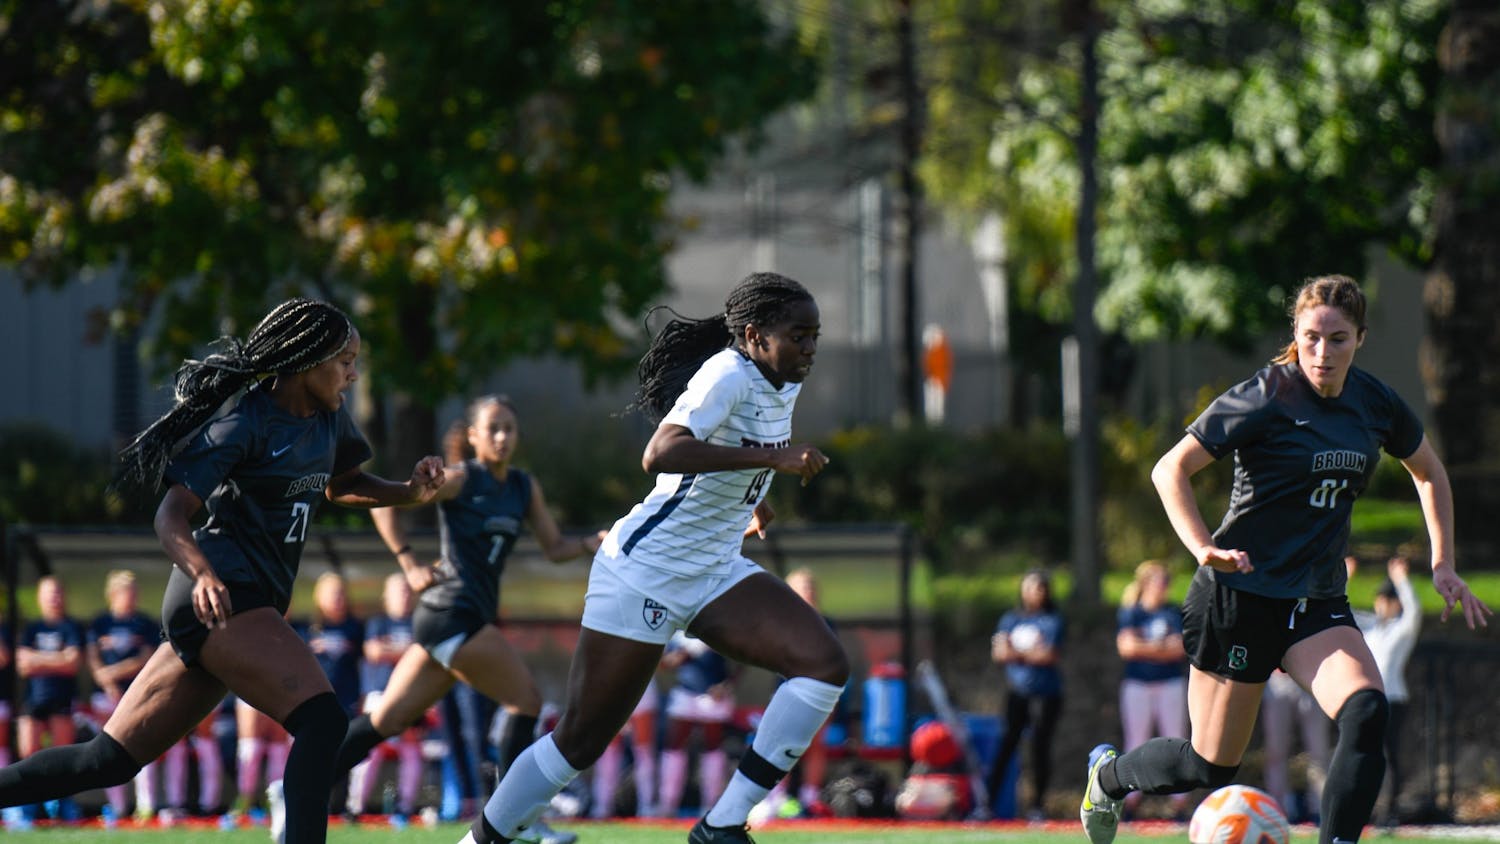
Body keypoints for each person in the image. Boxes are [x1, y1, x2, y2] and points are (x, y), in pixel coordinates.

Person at [0, 297, 446, 844]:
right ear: (307, 361)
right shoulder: (245, 421)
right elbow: (171, 515)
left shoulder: (329, 417)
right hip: (219, 595)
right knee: (323, 721)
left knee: (107, 761)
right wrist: (205, 574)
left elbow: (342, 483)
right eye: (345, 360)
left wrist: (408, 492)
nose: (354, 373)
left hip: (241, 605)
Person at [1079, 275, 1493, 844]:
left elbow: (1429, 471)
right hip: (1238, 596)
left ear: (1361, 339)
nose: (1322, 352)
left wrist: (1442, 562)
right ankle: (1108, 776)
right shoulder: (1267, 394)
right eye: (1311, 338)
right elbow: (1169, 469)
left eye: (1338, 339)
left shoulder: (1375, 403)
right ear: (1295, 336)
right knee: (1211, 765)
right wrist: (1203, 546)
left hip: (1315, 601)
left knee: (1367, 710)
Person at [457, 272, 845, 844]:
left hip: (714, 568)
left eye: (815, 335)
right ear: (755, 335)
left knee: (823, 665)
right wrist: (773, 461)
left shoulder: (781, 376)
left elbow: (739, 454)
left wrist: (752, 500)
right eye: (799, 335)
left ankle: (722, 825)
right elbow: (660, 452)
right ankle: (480, 842)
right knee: (579, 742)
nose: (810, 348)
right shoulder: (727, 373)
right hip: (646, 572)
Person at [326, 394, 605, 844]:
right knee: (527, 702)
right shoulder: (460, 479)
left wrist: (592, 541)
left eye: (509, 428)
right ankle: (516, 822)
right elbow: (382, 502)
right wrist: (408, 563)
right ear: (472, 436)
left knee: (387, 721)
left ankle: (294, 785)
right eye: (492, 428)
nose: (501, 436)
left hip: (457, 623)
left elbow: (554, 548)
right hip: (451, 614)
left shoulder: (522, 487)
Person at [986, 569, 1064, 821]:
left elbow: (1049, 655)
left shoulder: (1052, 620)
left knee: (1039, 748)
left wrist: (1016, 652)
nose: (1035, 593)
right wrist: (1029, 652)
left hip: (1045, 695)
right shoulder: (1010, 619)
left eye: (1040, 588)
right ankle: (988, 805)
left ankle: (1037, 806)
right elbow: (999, 653)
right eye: (1031, 587)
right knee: (1007, 744)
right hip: (1017, 694)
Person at [1114, 561, 1189, 821]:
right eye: (1160, 581)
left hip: (1169, 683)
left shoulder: (1172, 612)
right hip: (1138, 685)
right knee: (1136, 741)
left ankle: (1179, 804)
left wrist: (1145, 647)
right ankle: (1131, 801)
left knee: (1176, 740)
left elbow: (1179, 649)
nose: (1165, 586)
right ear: (1146, 583)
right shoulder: (1131, 613)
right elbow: (1127, 649)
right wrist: (1161, 648)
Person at [86, 570, 161, 820]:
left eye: (133, 591)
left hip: (137, 693)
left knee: (143, 746)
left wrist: (115, 672)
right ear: (112, 595)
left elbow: (148, 658)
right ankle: (118, 808)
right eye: (125, 591)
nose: (131, 596)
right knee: (108, 750)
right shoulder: (100, 623)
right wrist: (107, 681)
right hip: (107, 695)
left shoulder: (145, 623)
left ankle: (146, 807)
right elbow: (93, 661)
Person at [349, 573, 425, 817]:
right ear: (386, 596)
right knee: (371, 750)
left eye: (406, 591)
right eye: (398, 591)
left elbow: (426, 655)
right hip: (379, 695)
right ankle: (355, 807)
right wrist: (409, 652)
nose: (403, 596)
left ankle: (405, 807)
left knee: (411, 750)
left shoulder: (419, 622)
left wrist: (393, 650)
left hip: (411, 695)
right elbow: (373, 652)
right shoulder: (378, 623)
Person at [1354, 556, 1421, 826]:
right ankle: (1365, 808)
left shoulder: (1400, 630)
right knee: (1364, 754)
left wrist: (1401, 581)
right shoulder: (1369, 628)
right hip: (1369, 699)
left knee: (1389, 756)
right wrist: (1345, 577)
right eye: (1380, 599)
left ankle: (1389, 810)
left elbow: (1414, 611)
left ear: (1396, 604)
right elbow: (1340, 612)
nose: (1382, 604)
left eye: (1388, 600)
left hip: (1393, 699)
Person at [16, 576, 85, 818]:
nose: (53, 598)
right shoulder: (32, 628)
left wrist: (38, 659)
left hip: (62, 699)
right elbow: (23, 665)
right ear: (40, 597)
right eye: (48, 593)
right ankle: (28, 809)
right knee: (29, 753)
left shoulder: (71, 627)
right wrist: (58, 659)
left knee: (62, 757)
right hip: (34, 699)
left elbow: (73, 663)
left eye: (57, 593)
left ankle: (63, 807)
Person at [299, 572, 365, 812]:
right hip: (315, 701)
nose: (337, 599)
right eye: (332, 594)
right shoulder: (308, 628)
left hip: (348, 700)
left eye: (340, 593)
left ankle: (348, 806)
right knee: (316, 754)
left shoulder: (356, 628)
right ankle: (312, 801)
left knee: (348, 751)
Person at [657, 631, 736, 819]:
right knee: (674, 745)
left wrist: (727, 684)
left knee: (713, 748)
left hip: (714, 695)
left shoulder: (718, 627)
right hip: (685, 692)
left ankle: (710, 805)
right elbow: (665, 664)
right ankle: (667, 804)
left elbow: (742, 659)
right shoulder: (677, 634)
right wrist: (687, 651)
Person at [1259, 667, 1329, 824]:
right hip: (1278, 681)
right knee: (1275, 753)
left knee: (1318, 753)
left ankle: (1321, 811)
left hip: (1311, 678)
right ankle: (1277, 810)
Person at [589, 678, 660, 819]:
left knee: (643, 751)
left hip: (642, 688)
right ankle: (602, 806)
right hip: (611, 688)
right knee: (608, 752)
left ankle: (647, 806)